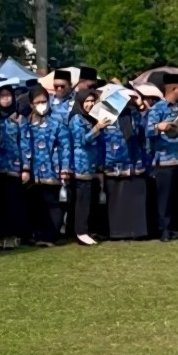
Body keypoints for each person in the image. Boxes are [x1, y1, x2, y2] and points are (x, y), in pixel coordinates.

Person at [146, 73, 178, 242]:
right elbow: (146, 132)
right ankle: (165, 230)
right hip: (166, 159)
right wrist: (158, 127)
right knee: (165, 198)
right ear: (174, 89)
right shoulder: (158, 109)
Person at [21, 85, 71, 247]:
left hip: (53, 171)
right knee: (36, 204)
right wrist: (25, 167)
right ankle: (37, 235)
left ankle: (50, 236)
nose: (42, 105)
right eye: (38, 102)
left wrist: (64, 168)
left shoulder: (56, 123)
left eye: (44, 101)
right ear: (31, 105)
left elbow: (65, 146)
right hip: (33, 173)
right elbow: (23, 146)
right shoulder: (26, 124)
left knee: (54, 204)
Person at [100, 94, 152, 240]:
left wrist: (139, 105)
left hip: (134, 163)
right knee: (116, 200)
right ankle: (117, 232)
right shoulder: (104, 114)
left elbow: (144, 134)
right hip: (112, 163)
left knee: (134, 199)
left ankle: (136, 232)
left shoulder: (133, 114)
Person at [68, 89, 109, 246]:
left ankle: (87, 229)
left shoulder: (91, 118)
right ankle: (81, 231)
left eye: (93, 101)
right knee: (82, 200)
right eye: (87, 101)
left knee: (90, 199)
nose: (90, 104)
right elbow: (81, 141)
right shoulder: (76, 119)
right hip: (81, 165)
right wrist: (97, 128)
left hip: (92, 165)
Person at [0, 84, 26, 249]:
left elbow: (24, 143)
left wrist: (26, 168)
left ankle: (13, 235)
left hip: (14, 167)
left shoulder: (18, 118)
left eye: (8, 95)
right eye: (2, 95)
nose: (5, 98)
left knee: (13, 203)